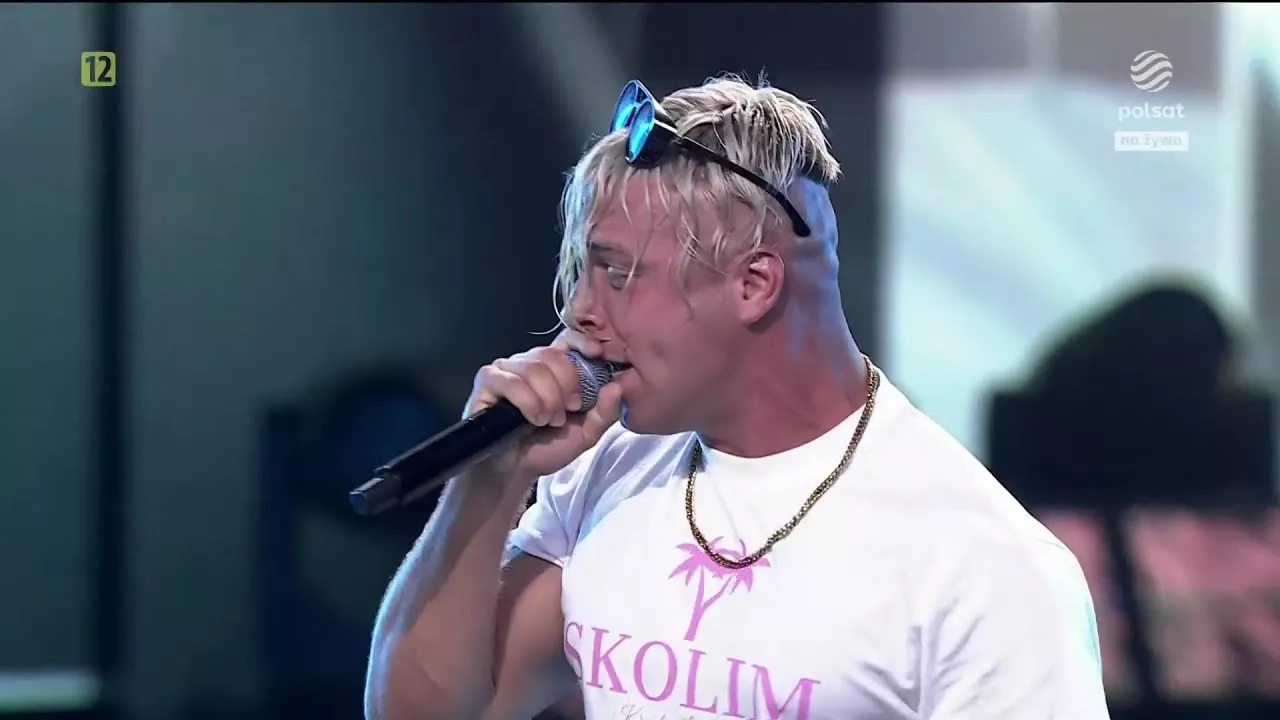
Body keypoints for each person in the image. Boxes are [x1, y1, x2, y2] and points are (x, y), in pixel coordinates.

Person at [363, 76, 1111, 720]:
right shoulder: (606, 469)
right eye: (582, 273)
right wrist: (489, 483)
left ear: (754, 284)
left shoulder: (985, 567)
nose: (580, 312)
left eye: (617, 273)